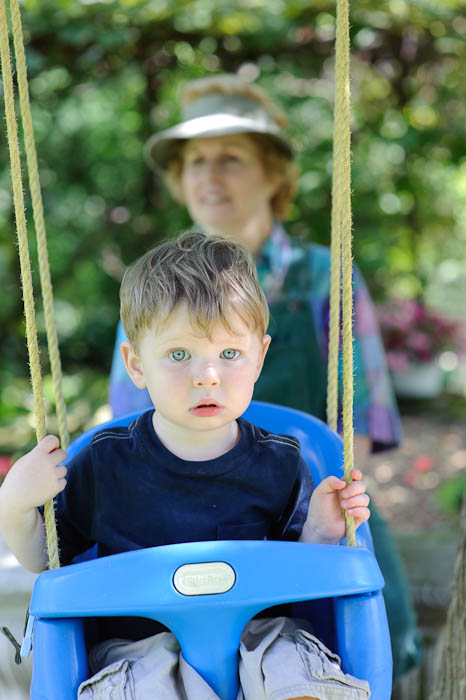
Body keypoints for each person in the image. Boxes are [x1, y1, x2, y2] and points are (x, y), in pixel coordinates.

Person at [108, 74, 421, 682]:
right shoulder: (154, 294)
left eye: (231, 158)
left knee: (360, 659)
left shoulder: (325, 277)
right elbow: (127, 425)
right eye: (195, 160)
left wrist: (322, 525)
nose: (209, 175)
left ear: (275, 174)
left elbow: (360, 428)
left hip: (312, 519)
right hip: (176, 522)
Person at [0, 231, 372, 700]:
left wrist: (321, 531)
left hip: (258, 643)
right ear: (136, 365)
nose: (207, 375)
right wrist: (14, 504)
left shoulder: (283, 460)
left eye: (230, 354)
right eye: (179, 355)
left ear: (259, 357)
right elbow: (43, 560)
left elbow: (305, 583)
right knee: (138, 685)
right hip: (137, 649)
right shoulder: (104, 464)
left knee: (295, 662)